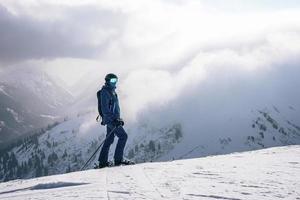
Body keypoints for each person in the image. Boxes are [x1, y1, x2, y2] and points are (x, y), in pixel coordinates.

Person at [97, 73, 134, 168]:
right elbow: (105, 109)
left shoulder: (113, 92)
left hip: (113, 119)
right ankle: (118, 159)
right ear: (107, 81)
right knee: (123, 136)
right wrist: (114, 120)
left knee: (109, 139)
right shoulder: (105, 92)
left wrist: (118, 118)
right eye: (113, 80)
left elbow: (114, 108)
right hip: (111, 120)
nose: (115, 82)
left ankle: (102, 162)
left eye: (116, 80)